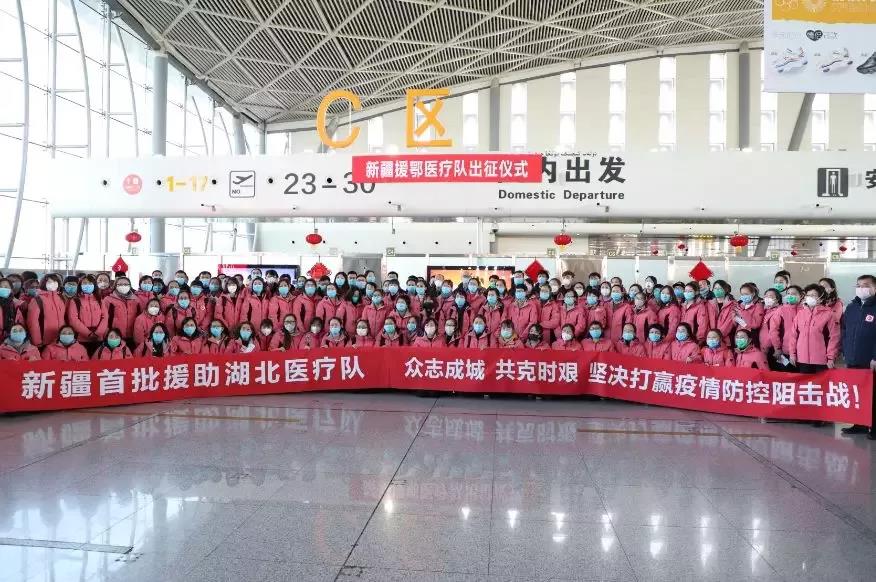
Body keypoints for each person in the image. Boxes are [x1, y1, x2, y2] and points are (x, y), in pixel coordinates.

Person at [840, 275, 876, 438]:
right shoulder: (852, 307)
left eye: (866, 285)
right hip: (853, 357)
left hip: (870, 359)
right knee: (857, 393)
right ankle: (859, 424)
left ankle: (874, 427)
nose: (861, 288)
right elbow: (845, 331)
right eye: (859, 285)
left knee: (872, 394)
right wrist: (845, 351)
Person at [789, 284, 840, 372]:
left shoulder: (829, 314)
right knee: (804, 381)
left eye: (813, 295)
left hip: (822, 360)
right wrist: (792, 353)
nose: (809, 297)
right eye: (808, 295)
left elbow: (834, 337)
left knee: (821, 381)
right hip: (802, 359)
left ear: (821, 298)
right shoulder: (801, 314)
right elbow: (794, 335)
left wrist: (831, 357)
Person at [97, 276, 140, 345]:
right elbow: (103, 318)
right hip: (114, 336)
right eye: (120, 284)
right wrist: (106, 334)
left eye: (126, 284)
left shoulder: (136, 300)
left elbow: (139, 318)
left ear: (130, 286)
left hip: (132, 336)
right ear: (115, 286)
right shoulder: (108, 300)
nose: (123, 286)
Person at [26, 273, 66, 347]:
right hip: (44, 341)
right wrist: (37, 340)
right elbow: (32, 322)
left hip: (60, 340)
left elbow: (63, 319)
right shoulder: (38, 300)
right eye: (50, 282)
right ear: (44, 283)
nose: (53, 284)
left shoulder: (61, 298)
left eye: (55, 281)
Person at [759, 288, 784, 364]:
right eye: (766, 296)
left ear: (777, 299)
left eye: (770, 296)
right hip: (764, 347)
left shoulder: (779, 311)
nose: (767, 298)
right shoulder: (765, 310)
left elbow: (774, 332)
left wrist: (777, 348)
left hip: (773, 347)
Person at [0, 277, 24, 342]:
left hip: (11, 338)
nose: (3, 288)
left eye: (6, 287)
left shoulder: (17, 304)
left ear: (11, 289)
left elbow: (21, 323)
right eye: (0, 287)